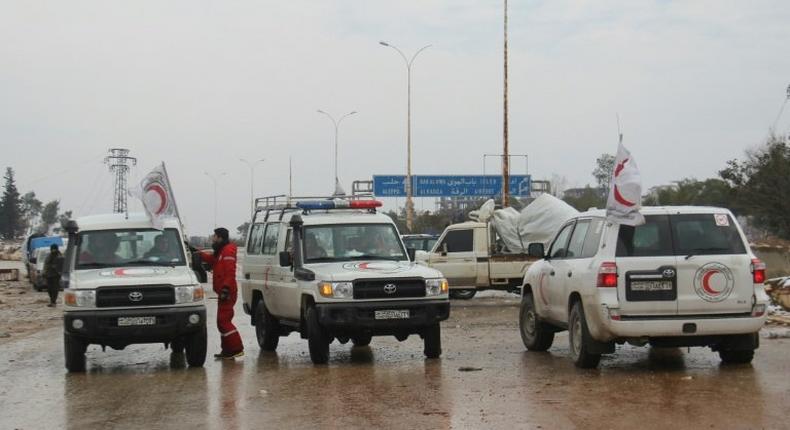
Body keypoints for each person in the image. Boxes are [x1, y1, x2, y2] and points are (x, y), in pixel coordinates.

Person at [199, 227, 244, 359]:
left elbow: (230, 272)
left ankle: (236, 348)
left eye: (214, 236)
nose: (212, 238)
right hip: (223, 292)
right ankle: (227, 351)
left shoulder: (228, 250)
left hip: (227, 292)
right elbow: (212, 260)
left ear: (220, 237)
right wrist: (198, 253)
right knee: (221, 321)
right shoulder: (220, 251)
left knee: (223, 321)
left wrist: (225, 288)